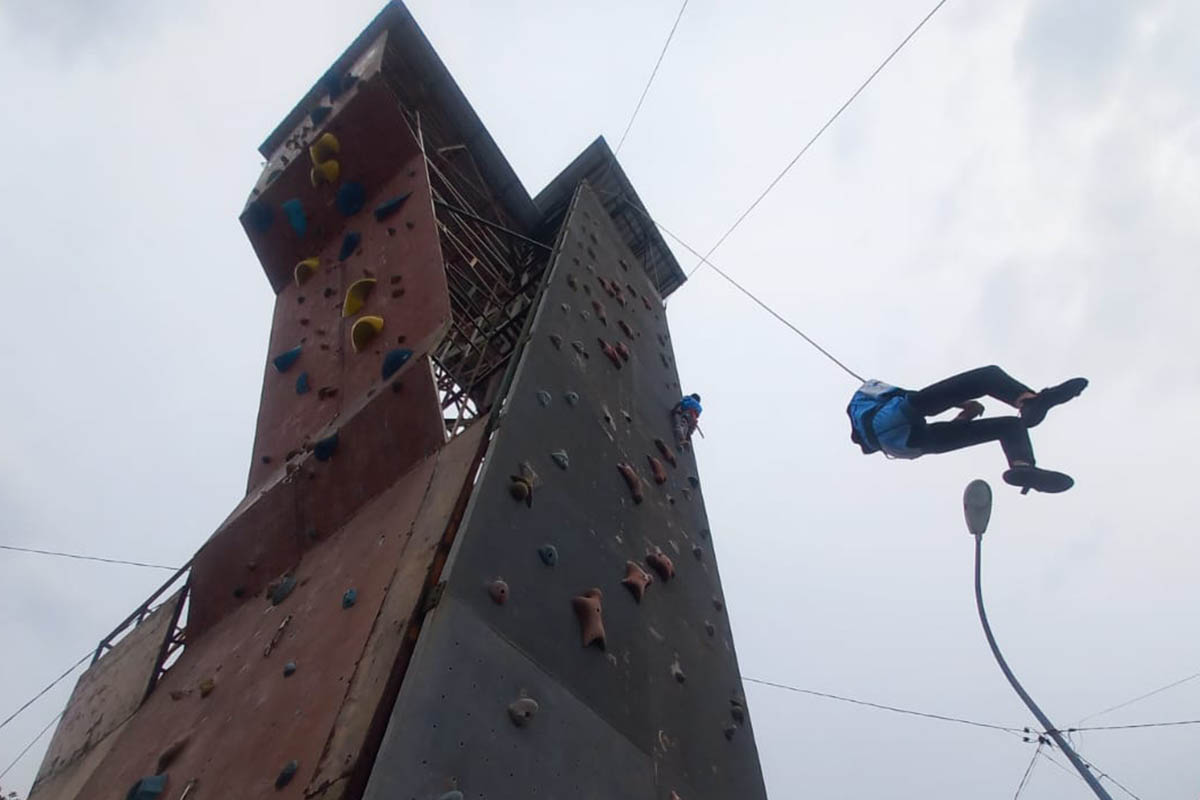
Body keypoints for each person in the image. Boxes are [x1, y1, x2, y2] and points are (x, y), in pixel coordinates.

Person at [846, 366, 1088, 493]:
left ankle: (1023, 468)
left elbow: (944, 429)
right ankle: (1028, 401)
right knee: (988, 376)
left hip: (901, 447)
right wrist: (964, 402)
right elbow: (913, 396)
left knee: (1010, 426)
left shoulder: (869, 417)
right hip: (889, 423)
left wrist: (966, 413)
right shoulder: (868, 392)